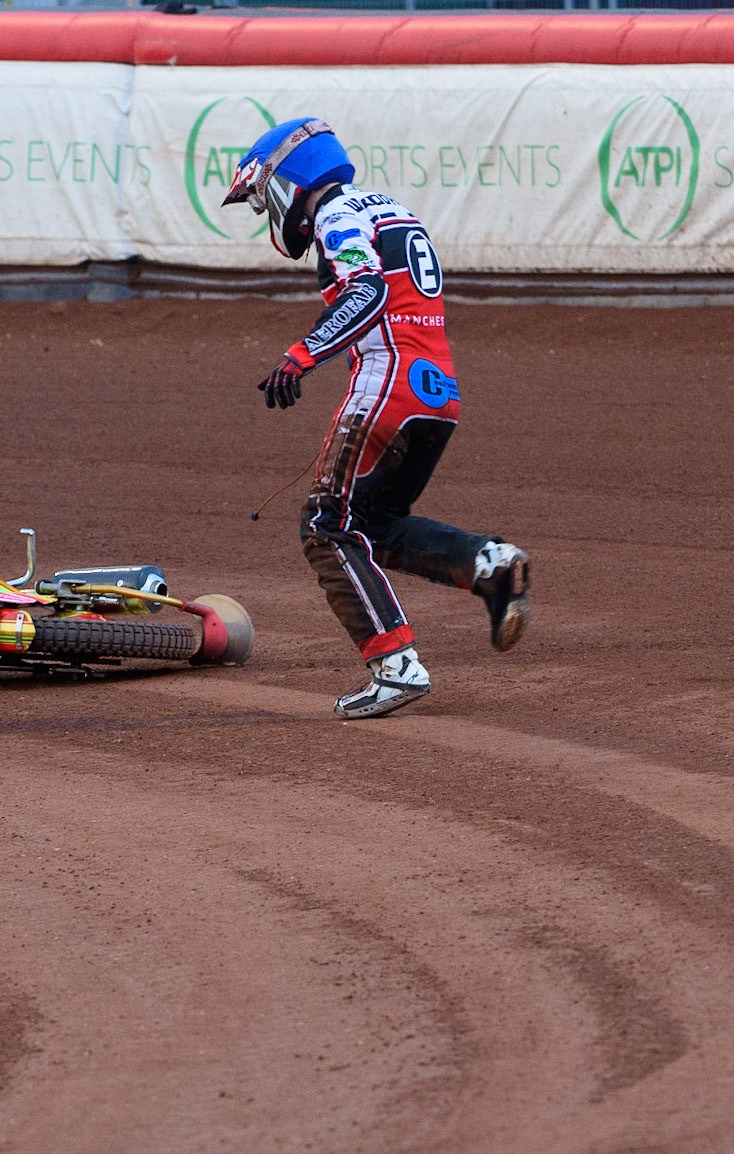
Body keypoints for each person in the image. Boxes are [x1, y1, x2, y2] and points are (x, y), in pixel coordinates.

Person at [222, 117, 531, 719]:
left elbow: (367, 292)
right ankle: (488, 564)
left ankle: (395, 665)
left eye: (264, 198)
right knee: (375, 522)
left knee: (325, 526)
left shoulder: (337, 216)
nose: (267, 213)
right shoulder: (391, 209)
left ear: (289, 179)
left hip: (386, 384)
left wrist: (302, 354)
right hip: (437, 392)